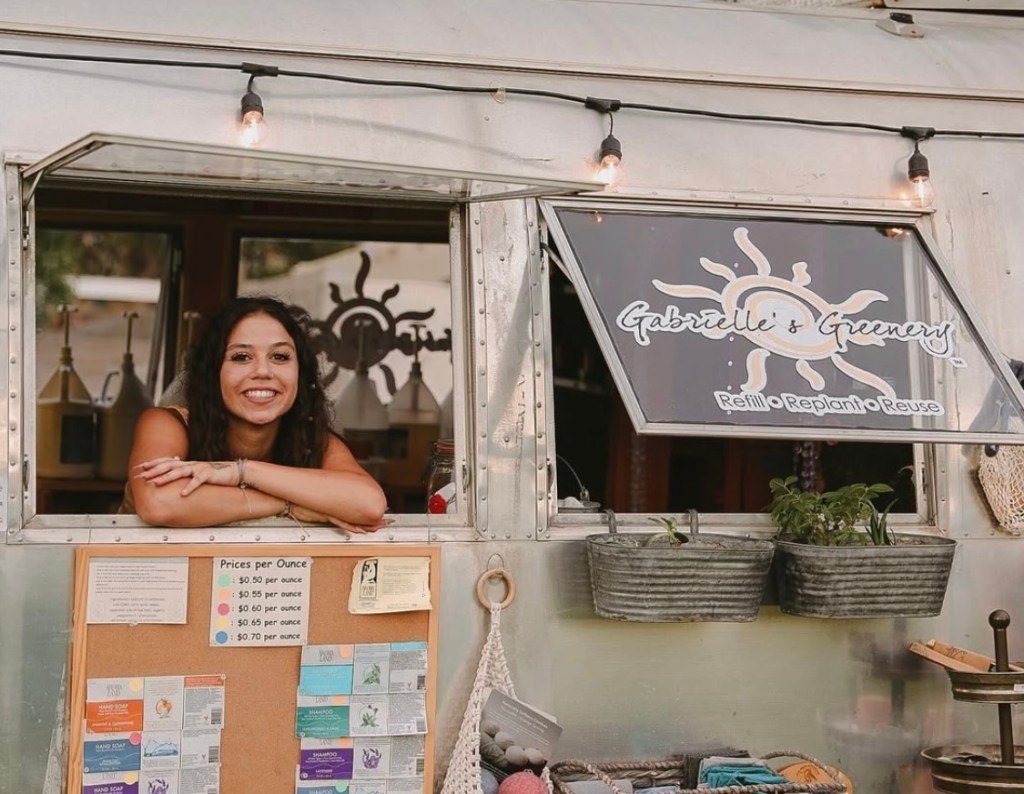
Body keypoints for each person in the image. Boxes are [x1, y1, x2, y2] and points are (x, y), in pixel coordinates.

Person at [124, 296, 389, 531]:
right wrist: (288, 504)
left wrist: (242, 472)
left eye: (280, 357)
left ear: (301, 371)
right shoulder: (167, 423)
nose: (263, 372)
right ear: (213, 372)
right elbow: (158, 503)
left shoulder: (311, 438)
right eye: (241, 357)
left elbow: (368, 504)